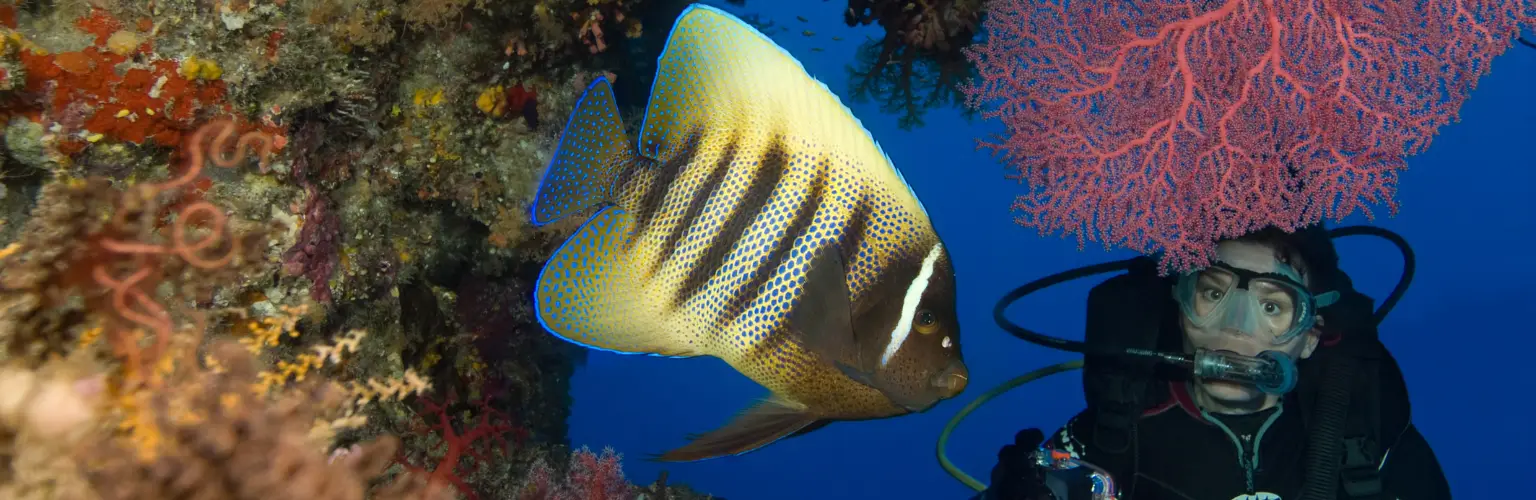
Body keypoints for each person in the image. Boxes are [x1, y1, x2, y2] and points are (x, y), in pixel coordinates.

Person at [985, 225, 1451, 500]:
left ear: (1310, 337)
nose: (1235, 329)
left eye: (1272, 307)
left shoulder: (1363, 434)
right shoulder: (1115, 430)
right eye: (1213, 292)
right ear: (1180, 305)